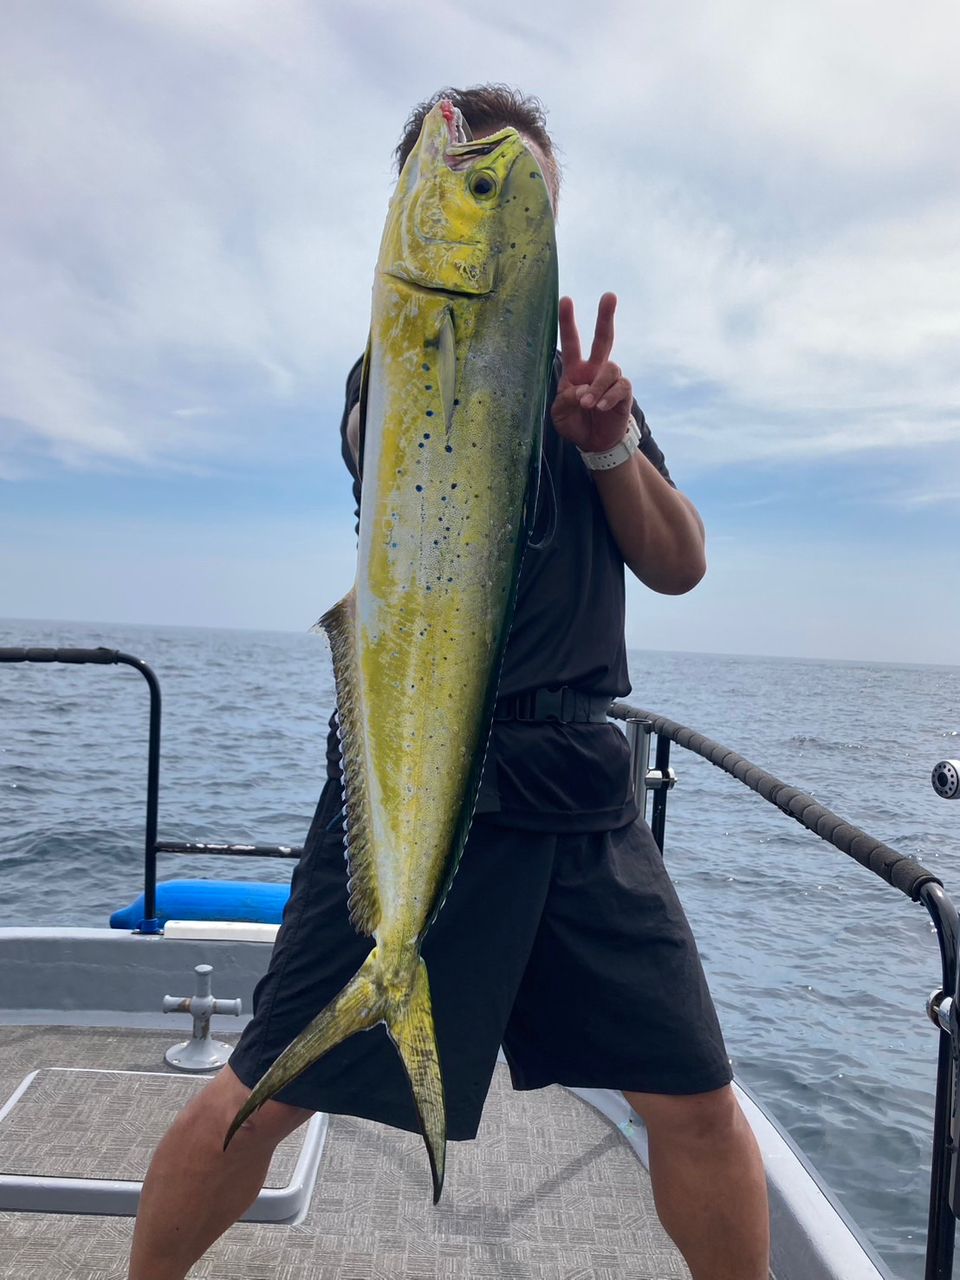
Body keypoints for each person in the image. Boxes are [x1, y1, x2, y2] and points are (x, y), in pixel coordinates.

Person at [128, 85, 769, 1280]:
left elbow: (679, 562)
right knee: (265, 1094)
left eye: (533, 201)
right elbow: (373, 425)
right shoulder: (399, 362)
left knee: (695, 1099)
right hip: (414, 782)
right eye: (489, 188)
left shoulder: (593, 392)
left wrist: (608, 445)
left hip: (578, 786)